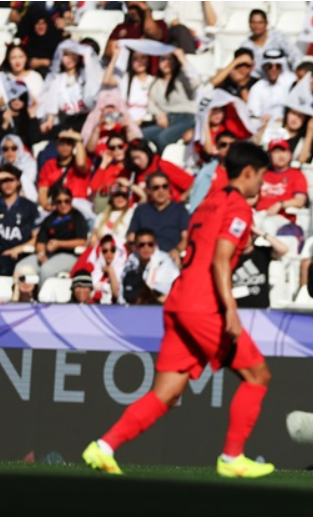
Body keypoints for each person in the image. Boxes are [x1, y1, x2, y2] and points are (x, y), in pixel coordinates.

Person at [82, 141, 276, 478]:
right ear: (248, 172)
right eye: (261, 176)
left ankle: (104, 447)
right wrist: (230, 309)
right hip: (203, 305)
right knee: (258, 376)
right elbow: (220, 259)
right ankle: (232, 459)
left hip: (178, 302)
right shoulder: (239, 208)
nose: (262, 183)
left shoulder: (205, 203)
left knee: (167, 393)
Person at [15, 186, 87, 283]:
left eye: (67, 201)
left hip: (70, 256)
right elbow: (41, 242)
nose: (63, 205)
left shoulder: (77, 217)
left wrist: (59, 244)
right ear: (54, 203)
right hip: (49, 255)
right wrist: (41, 254)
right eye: (59, 202)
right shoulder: (49, 220)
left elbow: (82, 242)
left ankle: (42, 297)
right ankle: (19, 296)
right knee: (20, 267)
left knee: (46, 270)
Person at [0, 165, 38, 277]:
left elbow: (37, 237)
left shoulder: (29, 206)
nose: (8, 184)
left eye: (11, 180)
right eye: (3, 181)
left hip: (16, 255)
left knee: (3, 268)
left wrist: (18, 249)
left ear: (18, 182)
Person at [141, 48, 200, 155]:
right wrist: (159, 114)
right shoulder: (156, 82)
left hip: (186, 118)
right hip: (166, 120)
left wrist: (181, 57)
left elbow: (195, 81)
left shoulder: (182, 79)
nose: (167, 63)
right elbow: (151, 103)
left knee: (164, 138)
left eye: (170, 59)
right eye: (163, 59)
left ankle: (163, 168)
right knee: (142, 134)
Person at [127, 171, 190, 266]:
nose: (161, 190)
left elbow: (185, 238)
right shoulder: (141, 210)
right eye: (156, 188)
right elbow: (131, 237)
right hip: (145, 260)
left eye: (164, 186)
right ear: (148, 190)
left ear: (169, 189)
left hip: (170, 260)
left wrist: (177, 251)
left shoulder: (180, 210)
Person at [120, 227, 180, 305]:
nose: (146, 248)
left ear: (155, 245)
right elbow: (122, 290)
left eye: (150, 244)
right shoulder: (130, 261)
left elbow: (178, 287)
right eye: (142, 245)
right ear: (135, 246)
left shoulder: (166, 263)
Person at [239, 8, 302, 78]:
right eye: (253, 22)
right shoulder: (245, 46)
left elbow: (295, 54)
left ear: (266, 23)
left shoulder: (278, 36)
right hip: (261, 83)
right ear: (249, 24)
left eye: (260, 22)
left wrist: (296, 73)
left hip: (284, 80)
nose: (256, 26)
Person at [247, 49, 297, 131]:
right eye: (269, 66)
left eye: (278, 66)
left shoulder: (291, 81)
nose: (274, 69)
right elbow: (253, 115)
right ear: (264, 67)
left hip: (289, 127)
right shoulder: (257, 88)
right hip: (265, 128)